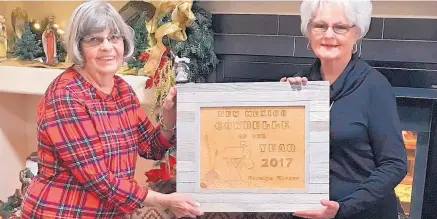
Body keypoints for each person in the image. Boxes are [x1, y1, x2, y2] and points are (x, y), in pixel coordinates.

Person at [20, 1, 203, 218]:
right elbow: (98, 179)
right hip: (62, 212)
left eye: (114, 38)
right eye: (95, 40)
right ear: (78, 47)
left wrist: (169, 117)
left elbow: (150, 148)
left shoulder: (121, 89)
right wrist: (163, 200)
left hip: (109, 213)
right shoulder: (65, 96)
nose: (107, 47)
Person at [280, 0, 408, 218]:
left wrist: (344, 208)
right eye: (320, 26)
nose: (328, 34)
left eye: (340, 27)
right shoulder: (299, 85)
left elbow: (394, 165)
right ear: (308, 32)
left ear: (356, 33)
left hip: (361, 212)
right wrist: (282, 107)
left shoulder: (375, 86)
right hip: (309, 212)